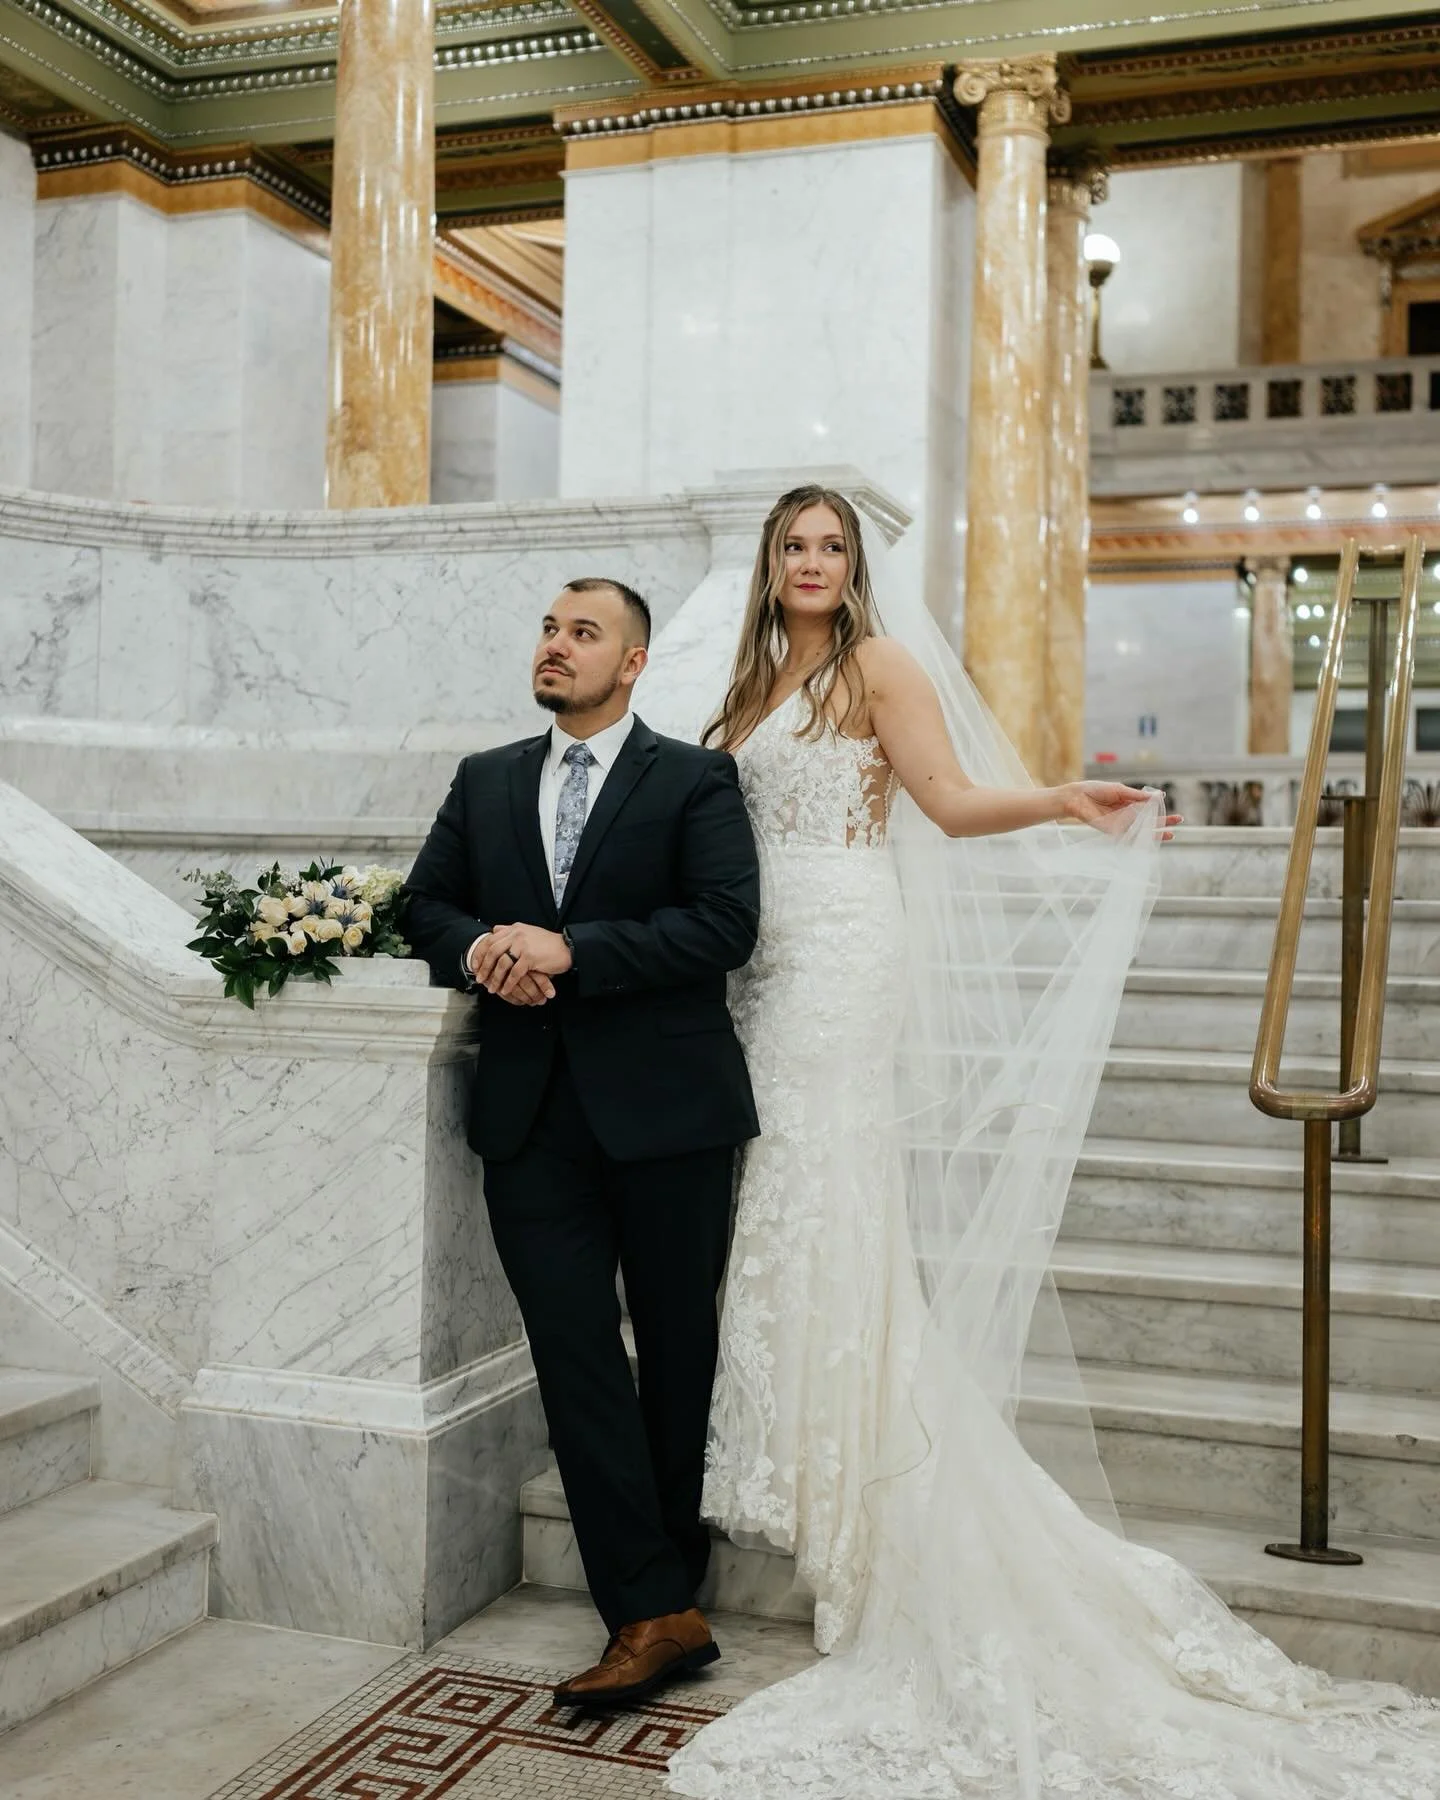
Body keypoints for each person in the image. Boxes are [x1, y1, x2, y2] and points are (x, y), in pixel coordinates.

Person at [665, 487, 1440, 1798]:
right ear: (769, 563)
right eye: (794, 546)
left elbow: (952, 804)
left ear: (855, 568)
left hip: (846, 954)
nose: (810, 563)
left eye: (831, 547)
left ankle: (879, 1505)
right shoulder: (748, 679)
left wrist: (1061, 802)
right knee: (782, 1203)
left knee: (828, 1195)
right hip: (761, 958)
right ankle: (827, 1480)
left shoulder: (877, 665)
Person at [404, 577, 761, 1710]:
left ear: (636, 662)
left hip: (670, 1113)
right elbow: (424, 905)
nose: (556, 646)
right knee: (574, 1355)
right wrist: (484, 953)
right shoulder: (487, 778)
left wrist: (571, 951)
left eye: (583, 632)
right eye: (550, 628)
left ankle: (669, 1587)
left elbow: (724, 925)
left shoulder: (697, 778)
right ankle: (650, 1610)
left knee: (672, 1355)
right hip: (530, 1116)